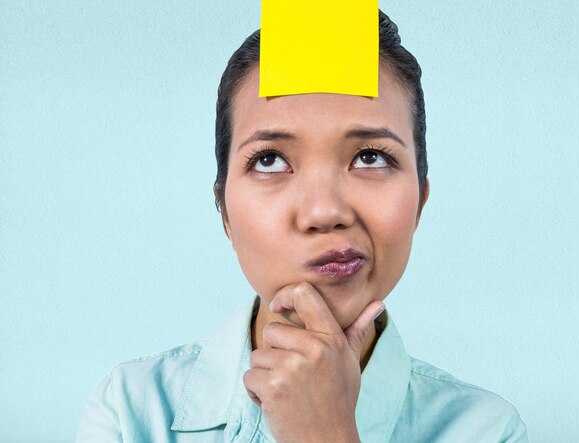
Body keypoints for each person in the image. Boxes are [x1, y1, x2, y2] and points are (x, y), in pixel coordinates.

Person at [77, 10, 527, 442]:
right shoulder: (130, 409)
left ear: (420, 203)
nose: (323, 212)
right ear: (225, 212)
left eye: (370, 156)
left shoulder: (486, 429)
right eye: (269, 160)